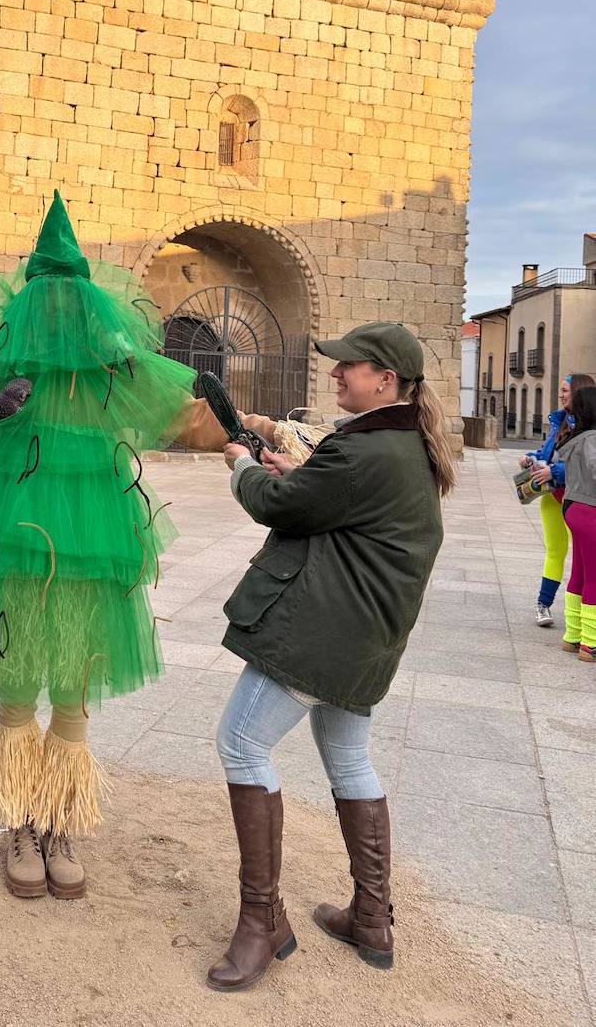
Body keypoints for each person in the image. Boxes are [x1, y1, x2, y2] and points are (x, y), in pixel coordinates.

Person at [0, 192, 236, 899]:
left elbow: (188, 420)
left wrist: (257, 436)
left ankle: (58, 818)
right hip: (13, 550)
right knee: (18, 680)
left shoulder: (114, 374)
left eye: (69, 302)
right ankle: (18, 821)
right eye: (47, 301)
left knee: (73, 685)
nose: (58, 314)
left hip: (93, 552)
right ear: (30, 304)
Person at [206, 322, 455, 992]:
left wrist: (240, 465)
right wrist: (295, 472)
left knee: (238, 743)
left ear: (386, 381)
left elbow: (281, 507)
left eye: (350, 366)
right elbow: (327, 502)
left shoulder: (364, 451)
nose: (336, 373)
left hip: (326, 633)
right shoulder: (396, 444)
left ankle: (262, 923)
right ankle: (370, 918)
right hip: (366, 637)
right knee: (347, 757)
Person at [520, 374, 596, 626]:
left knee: (584, 560)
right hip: (553, 496)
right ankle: (544, 605)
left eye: (565, 390)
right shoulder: (559, 420)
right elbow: (547, 452)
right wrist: (532, 458)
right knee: (555, 551)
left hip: (578, 498)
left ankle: (580, 621)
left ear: (579, 393)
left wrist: (554, 471)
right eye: (561, 390)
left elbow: (584, 466)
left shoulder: (588, 426)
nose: (561, 395)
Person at [557, 386, 596, 661]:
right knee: (594, 577)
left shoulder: (576, 436)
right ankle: (591, 644)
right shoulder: (593, 438)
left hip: (573, 507)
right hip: (590, 508)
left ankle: (572, 637)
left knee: (580, 573)